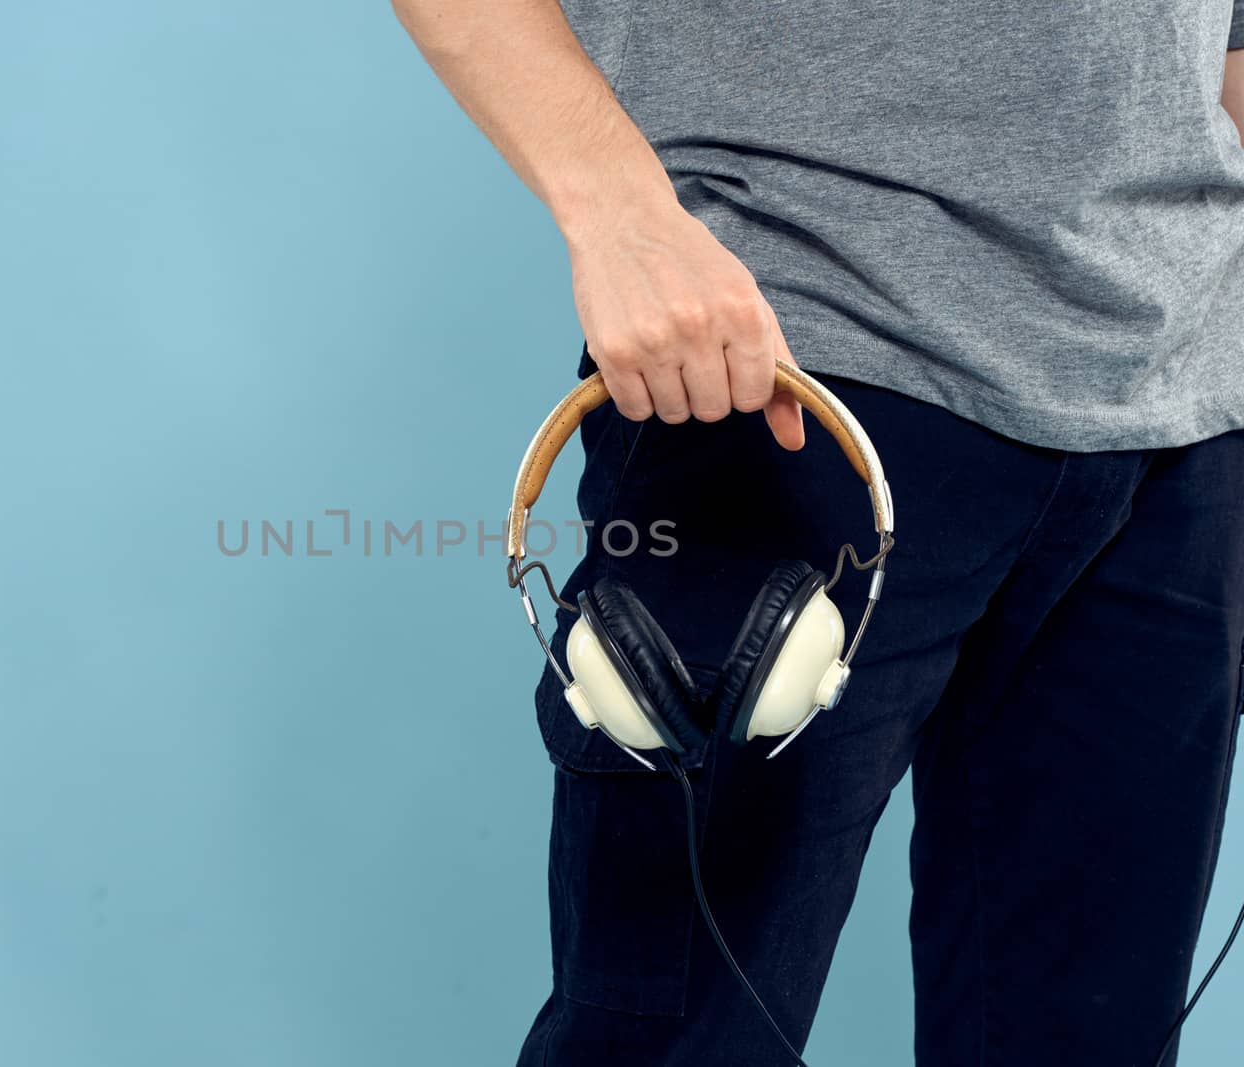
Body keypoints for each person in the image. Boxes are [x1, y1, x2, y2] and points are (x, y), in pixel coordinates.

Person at [395, 2, 1244, 1063]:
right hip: (787, 376)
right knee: (674, 1043)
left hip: (1186, 402)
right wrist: (621, 218)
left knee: (1091, 1037)